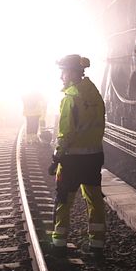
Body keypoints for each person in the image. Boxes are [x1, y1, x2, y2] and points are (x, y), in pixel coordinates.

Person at [48, 54, 107, 259]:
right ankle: (97, 244)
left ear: (72, 73)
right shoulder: (94, 94)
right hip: (93, 157)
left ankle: (59, 244)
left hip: (72, 160)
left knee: (64, 200)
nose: (61, 77)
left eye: (63, 72)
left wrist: (57, 156)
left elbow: (66, 132)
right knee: (94, 201)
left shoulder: (70, 97)